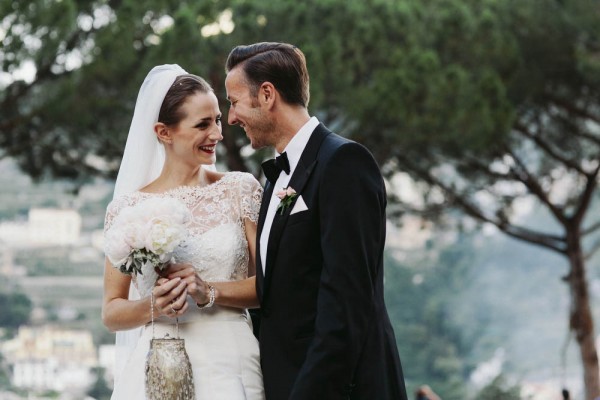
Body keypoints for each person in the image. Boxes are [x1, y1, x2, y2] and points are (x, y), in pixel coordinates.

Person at [224, 42, 408, 400]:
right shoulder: (275, 179)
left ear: (266, 95)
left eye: (233, 102)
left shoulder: (344, 163)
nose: (231, 118)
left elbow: (347, 301)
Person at [102, 64, 265, 399]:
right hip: (159, 366)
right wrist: (153, 307)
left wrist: (210, 292)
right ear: (164, 132)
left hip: (230, 358)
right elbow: (112, 311)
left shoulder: (241, 190)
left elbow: (270, 286)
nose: (218, 134)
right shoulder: (127, 209)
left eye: (218, 120)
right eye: (203, 124)